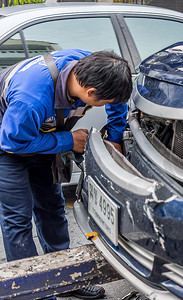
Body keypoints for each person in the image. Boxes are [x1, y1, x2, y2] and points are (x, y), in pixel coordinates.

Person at [0, 50, 132, 299]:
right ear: (90, 93)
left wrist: (114, 137)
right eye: (101, 103)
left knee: (52, 208)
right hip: (8, 142)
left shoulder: (94, 66)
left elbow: (117, 101)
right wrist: (68, 140)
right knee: (18, 218)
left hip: (41, 136)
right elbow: (13, 142)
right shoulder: (31, 98)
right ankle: (31, 292)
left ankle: (65, 279)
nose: (105, 107)